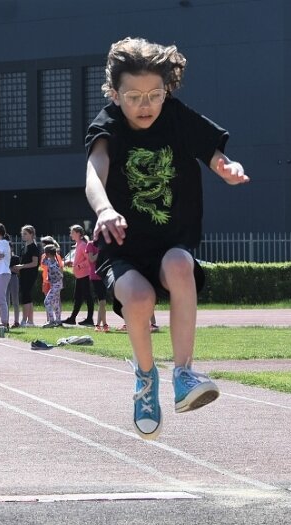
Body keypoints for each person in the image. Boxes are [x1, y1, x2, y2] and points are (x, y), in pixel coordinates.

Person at [85, 37, 249, 439]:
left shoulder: (177, 117)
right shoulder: (107, 124)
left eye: (155, 95)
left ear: (167, 91)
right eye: (134, 97)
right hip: (121, 244)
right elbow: (94, 170)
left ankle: (184, 374)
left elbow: (213, 153)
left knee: (180, 266)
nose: (146, 105)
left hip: (171, 238)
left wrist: (226, 167)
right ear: (114, 93)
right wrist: (104, 209)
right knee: (138, 299)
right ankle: (145, 379)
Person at [62, 225, 95, 326]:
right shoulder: (78, 245)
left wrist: (79, 266)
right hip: (80, 276)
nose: (70, 234)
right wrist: (72, 262)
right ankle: (72, 318)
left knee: (87, 297)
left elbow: (89, 260)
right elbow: (80, 260)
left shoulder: (83, 245)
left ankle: (89, 319)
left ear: (78, 233)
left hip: (84, 275)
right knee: (78, 297)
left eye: (72, 232)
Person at [12, 225, 40, 327]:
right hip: (24, 274)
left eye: (25, 233)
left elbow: (35, 263)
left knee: (26, 296)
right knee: (27, 296)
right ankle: (30, 321)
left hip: (30, 275)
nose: (23, 235)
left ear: (31, 234)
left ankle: (25, 320)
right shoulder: (24, 247)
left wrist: (21, 266)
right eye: (22, 233)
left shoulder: (33, 247)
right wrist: (17, 268)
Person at [85, 237, 109, 331]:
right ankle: (103, 324)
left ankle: (99, 325)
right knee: (102, 301)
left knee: (102, 302)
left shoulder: (106, 245)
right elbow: (91, 259)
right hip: (95, 276)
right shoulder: (90, 244)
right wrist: (100, 252)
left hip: (105, 275)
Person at [41, 244, 64, 327]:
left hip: (56, 284)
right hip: (54, 284)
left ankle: (51, 321)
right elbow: (43, 262)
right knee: (55, 303)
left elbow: (60, 275)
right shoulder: (49, 261)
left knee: (47, 301)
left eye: (45, 253)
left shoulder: (54, 263)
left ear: (48, 254)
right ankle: (58, 321)